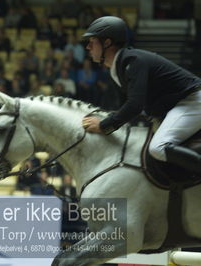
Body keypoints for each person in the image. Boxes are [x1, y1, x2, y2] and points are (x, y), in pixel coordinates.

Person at [81, 16, 201, 174]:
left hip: (193, 102)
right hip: (179, 105)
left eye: (92, 41)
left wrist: (104, 126)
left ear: (107, 43)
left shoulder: (133, 61)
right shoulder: (119, 67)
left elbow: (134, 106)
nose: (88, 47)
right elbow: (126, 107)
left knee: (158, 148)